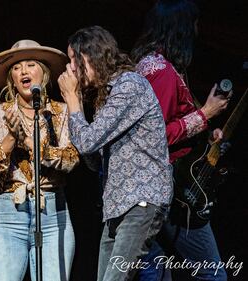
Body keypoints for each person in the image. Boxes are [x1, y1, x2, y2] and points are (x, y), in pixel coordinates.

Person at [57, 25, 173, 281]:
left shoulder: (129, 85)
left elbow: (87, 143)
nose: (72, 68)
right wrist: (77, 107)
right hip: (117, 207)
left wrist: (73, 103)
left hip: (140, 200)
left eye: (75, 58)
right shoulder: (106, 96)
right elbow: (92, 159)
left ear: (93, 54)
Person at [131, 0, 230, 280]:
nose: (198, 33)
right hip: (169, 191)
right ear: (182, 30)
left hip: (151, 192)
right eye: (194, 26)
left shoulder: (157, 66)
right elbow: (154, 135)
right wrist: (206, 113)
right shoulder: (161, 71)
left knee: (156, 273)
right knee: (213, 275)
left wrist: (206, 129)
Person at [0, 39, 80, 281]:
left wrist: (35, 146)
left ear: (43, 74)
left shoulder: (61, 111)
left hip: (53, 211)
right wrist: (12, 138)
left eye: (31, 64)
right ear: (11, 78)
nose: (23, 71)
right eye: (16, 67)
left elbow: (72, 159)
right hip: (7, 210)